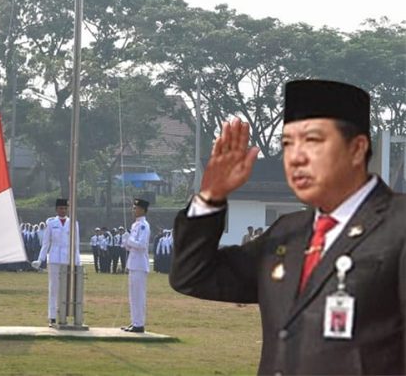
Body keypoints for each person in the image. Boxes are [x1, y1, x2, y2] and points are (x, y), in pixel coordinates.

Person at [169, 79, 405, 375]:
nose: (296, 157)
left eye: (312, 141)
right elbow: (193, 276)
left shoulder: (397, 224)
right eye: (287, 144)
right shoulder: (287, 233)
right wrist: (210, 198)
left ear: (357, 149)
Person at [31, 198, 81, 326]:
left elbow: (76, 244)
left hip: (67, 259)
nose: (63, 211)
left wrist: (77, 261)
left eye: (65, 208)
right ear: (56, 209)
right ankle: (52, 316)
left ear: (68, 209)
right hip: (54, 258)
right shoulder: (51, 223)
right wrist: (40, 259)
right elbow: (46, 243)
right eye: (60, 208)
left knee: (66, 289)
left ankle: (63, 315)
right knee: (53, 288)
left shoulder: (73, 223)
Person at [122, 198, 151, 333]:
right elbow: (131, 247)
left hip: (140, 264)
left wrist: (130, 240)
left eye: (136, 208)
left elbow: (141, 244)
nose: (134, 210)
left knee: (139, 295)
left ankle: (139, 324)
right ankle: (135, 322)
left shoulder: (144, 225)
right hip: (133, 263)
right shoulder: (135, 225)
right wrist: (126, 242)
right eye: (133, 208)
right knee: (133, 295)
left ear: (143, 210)